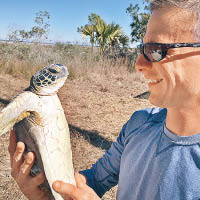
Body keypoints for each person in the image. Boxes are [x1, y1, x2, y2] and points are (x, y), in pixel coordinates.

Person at [8, 0, 200, 199]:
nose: (139, 64)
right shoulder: (139, 124)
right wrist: (45, 190)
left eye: (156, 50)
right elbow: (94, 180)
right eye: (142, 49)